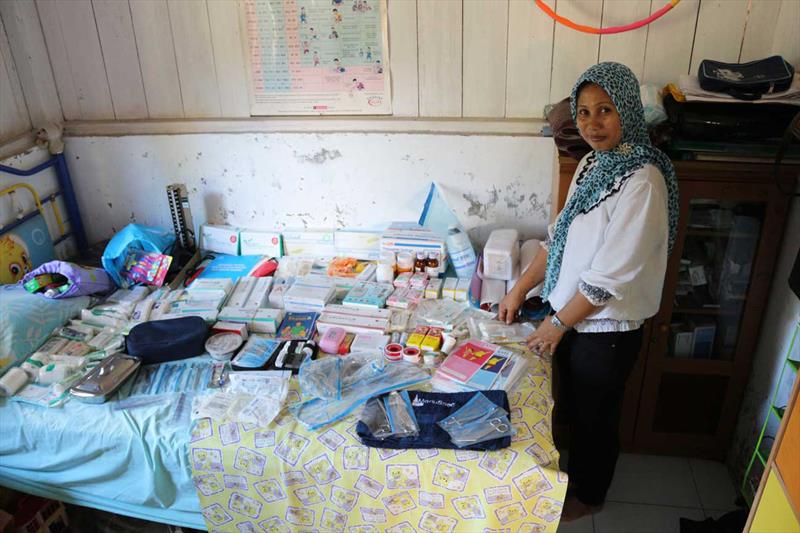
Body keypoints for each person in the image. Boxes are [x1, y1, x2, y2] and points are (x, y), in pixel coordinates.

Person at [498, 62, 679, 521]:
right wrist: (519, 291)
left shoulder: (643, 181)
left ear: (628, 113)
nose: (592, 123)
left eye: (605, 111)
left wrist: (556, 324)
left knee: (595, 419)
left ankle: (590, 496)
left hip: (606, 328)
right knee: (573, 411)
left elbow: (609, 276)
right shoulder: (591, 164)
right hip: (573, 318)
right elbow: (558, 237)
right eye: (583, 112)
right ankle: (572, 477)